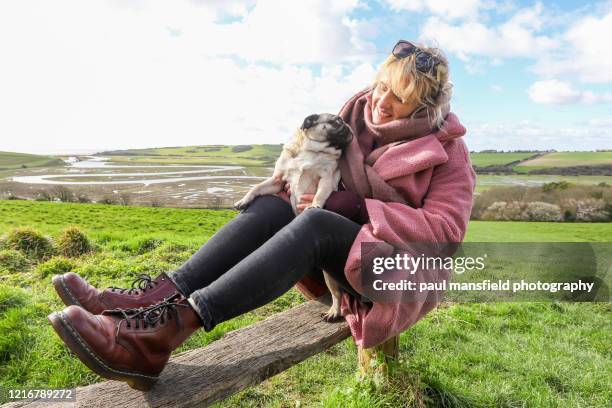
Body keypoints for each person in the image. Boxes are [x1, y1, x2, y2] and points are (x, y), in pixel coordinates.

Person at [47, 40, 476, 391]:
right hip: (330, 260)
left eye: (398, 98)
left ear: (426, 106)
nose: (380, 101)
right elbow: (303, 160)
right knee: (275, 202)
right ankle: (148, 302)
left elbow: (445, 232)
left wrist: (363, 209)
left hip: (392, 272)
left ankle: (163, 336)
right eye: (380, 86)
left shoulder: (449, 152)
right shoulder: (353, 117)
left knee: (318, 221)